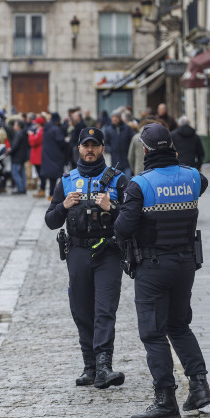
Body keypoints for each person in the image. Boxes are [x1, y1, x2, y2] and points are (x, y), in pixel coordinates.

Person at [115, 123, 210, 418]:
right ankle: (199, 385)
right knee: (179, 326)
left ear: (144, 150)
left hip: (153, 266)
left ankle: (165, 400)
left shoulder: (140, 184)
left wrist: (120, 207)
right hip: (185, 263)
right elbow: (202, 184)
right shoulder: (193, 177)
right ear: (172, 147)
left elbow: (123, 227)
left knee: (153, 333)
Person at [45, 127, 129, 390]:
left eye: (95, 145)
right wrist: (64, 206)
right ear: (79, 148)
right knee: (82, 310)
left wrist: (111, 208)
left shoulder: (119, 180)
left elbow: (132, 220)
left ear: (103, 148)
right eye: (85, 145)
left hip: (109, 252)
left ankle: (104, 366)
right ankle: (90, 367)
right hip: (78, 252)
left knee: (105, 309)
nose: (90, 150)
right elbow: (50, 221)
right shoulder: (67, 181)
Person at [41, 112, 67, 200]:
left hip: (47, 155)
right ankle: (52, 195)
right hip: (56, 156)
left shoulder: (46, 128)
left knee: (51, 177)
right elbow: (61, 142)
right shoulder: (56, 129)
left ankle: (51, 194)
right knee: (55, 177)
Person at [103, 110, 134, 177]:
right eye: (113, 117)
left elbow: (132, 141)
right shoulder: (108, 129)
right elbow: (105, 143)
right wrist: (110, 150)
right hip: (114, 162)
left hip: (126, 162)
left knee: (127, 181)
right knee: (116, 182)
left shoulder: (127, 128)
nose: (114, 119)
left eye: (116, 117)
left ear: (119, 118)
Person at [8, 120, 29, 194]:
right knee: (22, 173)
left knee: (15, 173)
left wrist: (9, 152)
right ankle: (23, 188)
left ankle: (20, 188)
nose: (14, 126)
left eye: (15, 125)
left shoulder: (19, 134)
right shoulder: (24, 133)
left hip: (17, 157)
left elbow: (15, 146)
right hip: (22, 156)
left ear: (18, 126)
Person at [28, 116, 46, 197]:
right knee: (40, 174)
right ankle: (41, 189)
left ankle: (42, 190)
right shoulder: (39, 131)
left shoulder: (41, 132)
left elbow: (33, 142)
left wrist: (31, 135)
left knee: (41, 174)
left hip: (38, 155)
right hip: (37, 155)